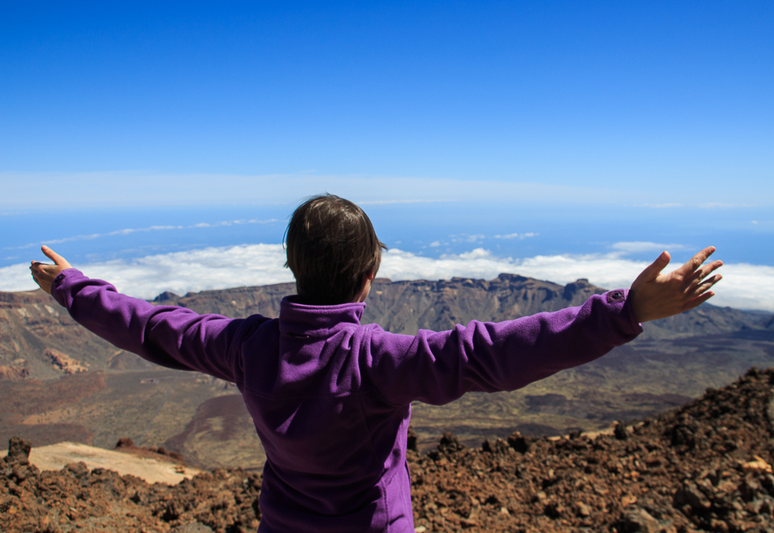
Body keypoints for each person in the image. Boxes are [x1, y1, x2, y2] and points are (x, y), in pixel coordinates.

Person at [30, 194, 723, 533]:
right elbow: (492, 354)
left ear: (291, 270)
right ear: (370, 276)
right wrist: (623, 312)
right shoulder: (376, 362)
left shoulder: (245, 344)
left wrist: (73, 288)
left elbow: (153, 326)